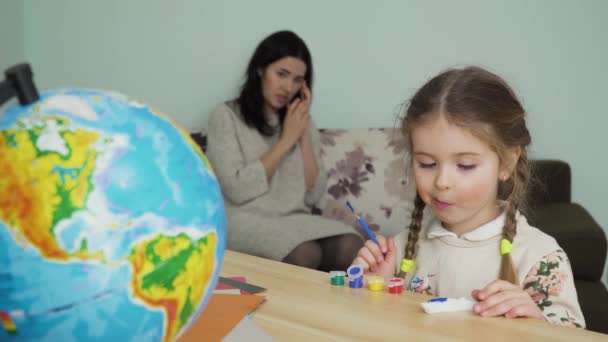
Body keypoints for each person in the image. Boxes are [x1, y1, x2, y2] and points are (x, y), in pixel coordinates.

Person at [351, 66, 585, 327]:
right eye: (427, 164)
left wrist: (536, 320)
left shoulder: (541, 259)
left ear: (507, 162)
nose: (441, 182)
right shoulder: (399, 251)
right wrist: (375, 290)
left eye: (465, 166)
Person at [206, 30, 363, 271]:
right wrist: (286, 140)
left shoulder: (301, 122)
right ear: (260, 69)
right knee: (305, 253)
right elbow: (237, 190)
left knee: (350, 245)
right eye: (281, 74)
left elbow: (313, 196)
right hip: (242, 218)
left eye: (298, 79)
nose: (288, 87)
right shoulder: (225, 116)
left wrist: (302, 134)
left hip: (294, 219)